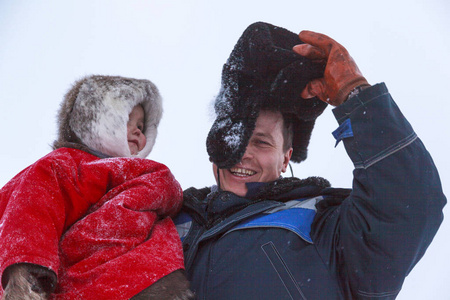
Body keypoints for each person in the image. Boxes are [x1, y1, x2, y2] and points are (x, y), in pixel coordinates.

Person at [174, 22, 446, 299]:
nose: (243, 152)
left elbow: (408, 205)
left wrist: (355, 95)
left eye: (261, 141)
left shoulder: (327, 228)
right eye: (236, 135)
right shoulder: (167, 218)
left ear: (286, 158)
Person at [0, 75, 193, 299]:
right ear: (97, 120)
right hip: (86, 283)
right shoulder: (65, 165)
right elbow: (30, 213)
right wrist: (24, 279)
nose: (138, 131)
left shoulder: (147, 177)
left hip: (146, 281)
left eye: (141, 126)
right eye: (126, 120)